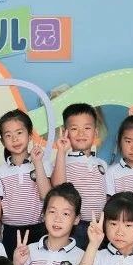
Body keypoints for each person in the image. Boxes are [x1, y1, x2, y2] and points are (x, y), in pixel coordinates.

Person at [0, 109, 51, 258]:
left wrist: (37, 163)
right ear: (2, 141)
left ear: (30, 135)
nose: (14, 139)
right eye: (8, 135)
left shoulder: (42, 164)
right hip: (10, 232)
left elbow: (46, 195)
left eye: (19, 133)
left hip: (39, 229)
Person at [51, 103, 107, 249]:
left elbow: (107, 196)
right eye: (74, 129)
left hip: (100, 225)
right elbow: (58, 186)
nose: (81, 134)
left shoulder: (101, 163)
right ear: (66, 132)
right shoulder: (62, 161)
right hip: (75, 226)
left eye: (87, 128)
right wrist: (61, 152)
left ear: (95, 132)